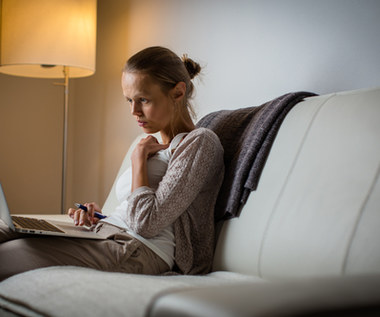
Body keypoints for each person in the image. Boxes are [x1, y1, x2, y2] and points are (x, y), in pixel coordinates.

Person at [0, 46, 224, 280]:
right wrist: (98, 216)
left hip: (140, 249)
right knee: (4, 228)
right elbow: (134, 210)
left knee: (7, 256)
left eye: (143, 100)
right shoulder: (152, 145)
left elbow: (146, 224)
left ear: (178, 92)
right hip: (106, 233)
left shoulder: (199, 142)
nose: (134, 111)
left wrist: (138, 161)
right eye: (129, 100)